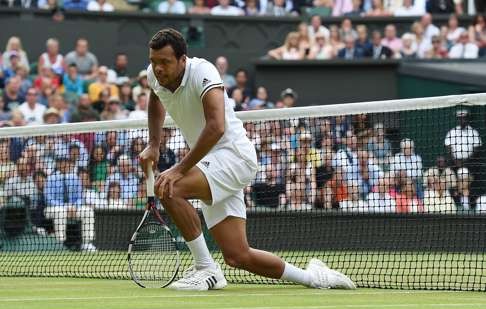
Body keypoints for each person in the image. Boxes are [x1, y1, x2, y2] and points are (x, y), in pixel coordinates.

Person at [139, 28, 356, 291]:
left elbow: (216, 127)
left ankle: (206, 268)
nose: (158, 69)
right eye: (154, 62)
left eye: (165, 62)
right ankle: (314, 278)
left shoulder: (203, 72)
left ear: (183, 59)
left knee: (169, 186)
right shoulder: (155, 76)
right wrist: (153, 143)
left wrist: (179, 169)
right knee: (237, 256)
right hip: (209, 164)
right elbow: (156, 98)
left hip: (234, 157)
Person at [44, 155, 96, 251]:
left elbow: (80, 197)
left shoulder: (75, 178)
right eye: (62, 163)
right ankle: (60, 243)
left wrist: (75, 206)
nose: (65, 165)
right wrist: (65, 206)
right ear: (58, 165)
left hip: (73, 209)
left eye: (66, 163)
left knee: (88, 211)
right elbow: (48, 199)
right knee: (60, 212)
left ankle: (87, 243)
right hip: (53, 209)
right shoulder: (51, 178)